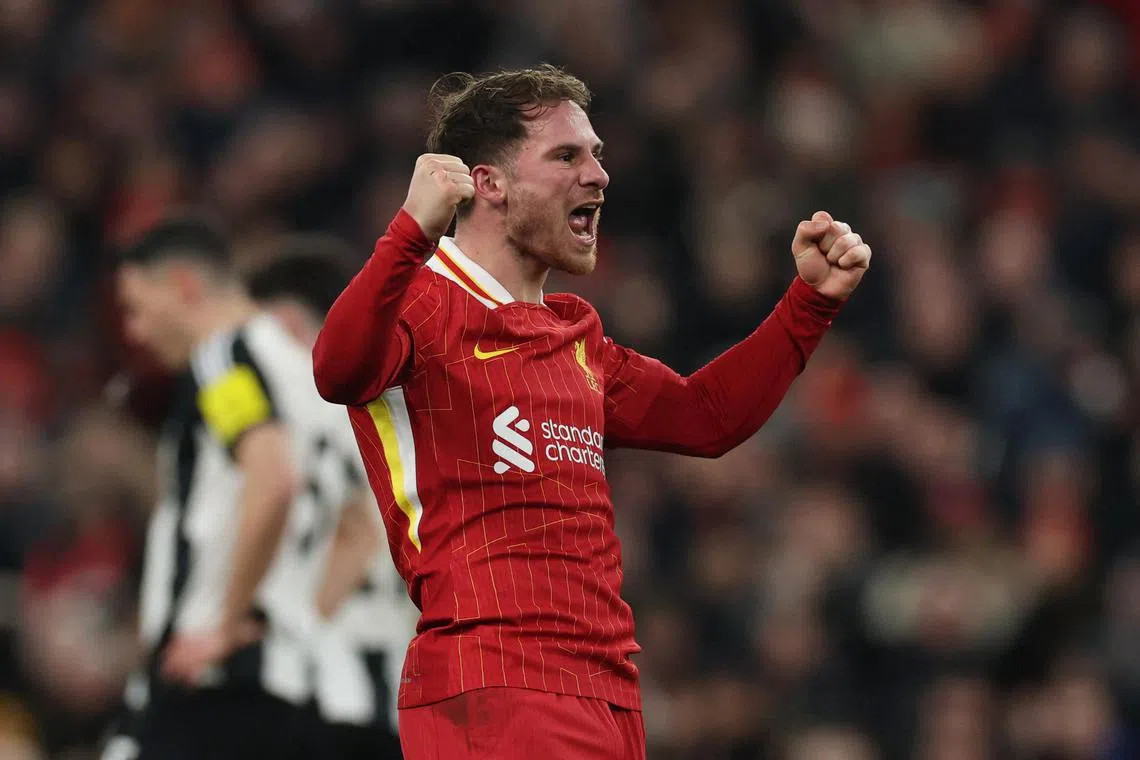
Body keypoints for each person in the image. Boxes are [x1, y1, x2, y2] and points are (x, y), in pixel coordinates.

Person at [312, 65, 871, 760]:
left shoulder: (575, 335)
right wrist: (407, 235)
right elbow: (336, 370)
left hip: (606, 689)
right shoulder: (422, 301)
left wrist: (809, 304)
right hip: (495, 684)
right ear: (488, 183)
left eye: (598, 154)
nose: (599, 175)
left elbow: (705, 418)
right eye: (567, 155)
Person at [103, 218, 366, 760]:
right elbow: (359, 526)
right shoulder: (314, 379)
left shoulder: (226, 358)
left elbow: (274, 480)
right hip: (286, 684)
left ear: (182, 285)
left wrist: (226, 626)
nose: (135, 330)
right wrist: (292, 621)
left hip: (207, 679)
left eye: (136, 306)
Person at [247, 242, 418, 760]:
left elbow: (356, 534)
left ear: (291, 326)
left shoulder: (320, 414)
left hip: (339, 687)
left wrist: (295, 627)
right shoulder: (406, 410)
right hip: (406, 696)